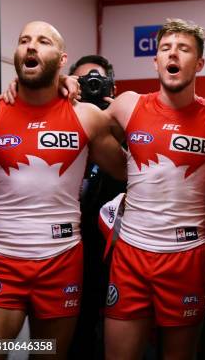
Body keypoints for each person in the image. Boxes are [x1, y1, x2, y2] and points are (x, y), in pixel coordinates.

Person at [102, 18, 205, 360]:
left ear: (199, 63)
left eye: (183, 49)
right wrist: (64, 88)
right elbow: (83, 130)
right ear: (156, 62)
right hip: (131, 253)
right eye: (165, 49)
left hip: (188, 256)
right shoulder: (129, 105)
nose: (172, 54)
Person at [0, 21, 126, 358]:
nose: (31, 46)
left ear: (62, 59)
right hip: (1, 262)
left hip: (62, 261)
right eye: (24, 41)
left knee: (45, 353)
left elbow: (130, 170)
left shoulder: (86, 116)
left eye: (42, 41)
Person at [68, 55, 127, 360]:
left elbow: (137, 171)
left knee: (119, 340)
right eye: (82, 83)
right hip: (67, 253)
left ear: (111, 88)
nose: (90, 89)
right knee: (73, 339)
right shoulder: (61, 123)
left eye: (97, 82)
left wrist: (114, 119)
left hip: (118, 255)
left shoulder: (127, 124)